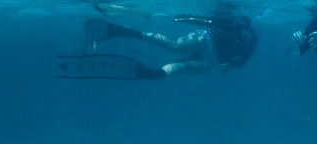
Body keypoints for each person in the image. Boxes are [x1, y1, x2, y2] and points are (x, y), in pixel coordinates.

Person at [58, 4, 257, 80]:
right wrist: (231, 65)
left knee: (174, 46)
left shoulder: (233, 20)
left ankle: (129, 33)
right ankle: (158, 73)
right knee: (184, 64)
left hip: (206, 40)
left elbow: (206, 21)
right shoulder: (249, 32)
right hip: (214, 55)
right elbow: (245, 57)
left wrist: (182, 17)